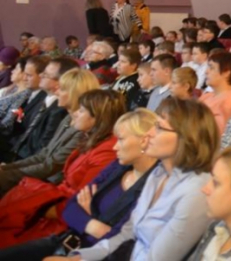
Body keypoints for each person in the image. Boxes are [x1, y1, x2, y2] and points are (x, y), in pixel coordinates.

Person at [67, 99, 220, 261]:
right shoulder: (158, 173)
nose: (149, 134)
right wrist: (79, 258)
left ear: (187, 138)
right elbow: (126, 234)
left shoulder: (196, 192)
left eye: (159, 128)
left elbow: (156, 258)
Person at [0, 109, 157, 259]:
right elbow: (71, 207)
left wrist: (89, 215)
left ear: (143, 141)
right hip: (66, 240)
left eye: (121, 139)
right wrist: (94, 224)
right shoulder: (118, 166)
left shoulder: (154, 186)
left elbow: (119, 241)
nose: (115, 146)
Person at [0, 90, 125, 246]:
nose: (75, 114)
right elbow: (45, 155)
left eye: (81, 110)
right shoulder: (90, 138)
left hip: (61, 216)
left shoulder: (106, 150)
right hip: (54, 202)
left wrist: (40, 209)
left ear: (97, 117)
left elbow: (82, 199)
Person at [0, 69, 97, 197]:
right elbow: (44, 154)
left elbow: (52, 165)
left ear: (75, 94)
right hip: (39, 176)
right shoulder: (68, 118)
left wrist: (5, 175)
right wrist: (6, 169)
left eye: (61, 89)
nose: (56, 92)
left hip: (51, 185)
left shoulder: (83, 128)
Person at [198, 51, 231, 133]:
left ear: (226, 73)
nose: (206, 71)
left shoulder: (229, 105)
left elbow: (214, 138)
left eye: (211, 68)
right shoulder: (209, 95)